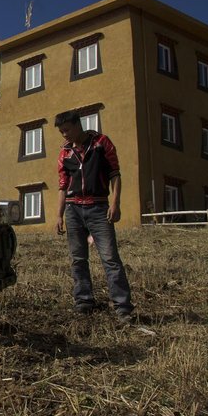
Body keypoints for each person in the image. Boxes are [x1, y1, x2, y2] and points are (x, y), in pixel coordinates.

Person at [54, 109, 134, 323]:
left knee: (110, 258)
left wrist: (115, 203)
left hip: (99, 208)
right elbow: (63, 186)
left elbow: (115, 174)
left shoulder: (101, 143)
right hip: (73, 210)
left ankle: (122, 306)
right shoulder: (64, 153)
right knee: (78, 258)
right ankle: (84, 301)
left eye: (67, 130)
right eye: (61, 132)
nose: (64, 135)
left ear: (78, 125)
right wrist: (59, 215)